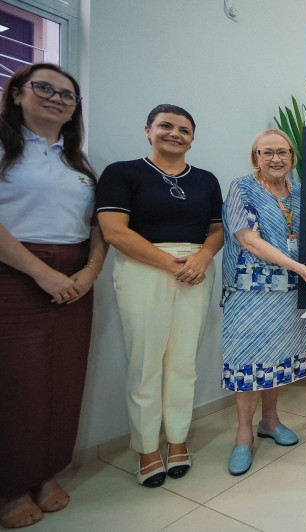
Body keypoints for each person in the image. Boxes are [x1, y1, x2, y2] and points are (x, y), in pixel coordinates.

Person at [0, 63, 105, 529]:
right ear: (18, 93)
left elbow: (97, 226)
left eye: (68, 94)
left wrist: (90, 271)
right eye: (45, 88)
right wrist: (42, 273)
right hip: (16, 276)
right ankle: (10, 485)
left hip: (75, 279)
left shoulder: (78, 162)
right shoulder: (6, 151)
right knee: (16, 384)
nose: (57, 98)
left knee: (63, 380)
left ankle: (44, 475)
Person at [97, 104, 223, 487]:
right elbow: (115, 232)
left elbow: (215, 230)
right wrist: (172, 265)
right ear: (148, 130)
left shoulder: (205, 180)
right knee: (145, 361)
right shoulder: (122, 173)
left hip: (196, 270)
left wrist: (201, 257)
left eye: (184, 129)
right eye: (166, 126)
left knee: (184, 359)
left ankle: (178, 439)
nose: (175, 134)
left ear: (193, 138)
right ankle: (147, 446)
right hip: (144, 269)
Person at [221, 129, 306, 475]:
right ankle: (242, 436)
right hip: (250, 292)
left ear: (292, 158)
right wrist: (298, 266)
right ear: (256, 158)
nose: (276, 159)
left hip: (291, 292)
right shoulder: (241, 187)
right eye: (267, 153)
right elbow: (248, 240)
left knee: (277, 357)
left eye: (282, 152)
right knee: (247, 360)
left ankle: (270, 420)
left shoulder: (300, 191)